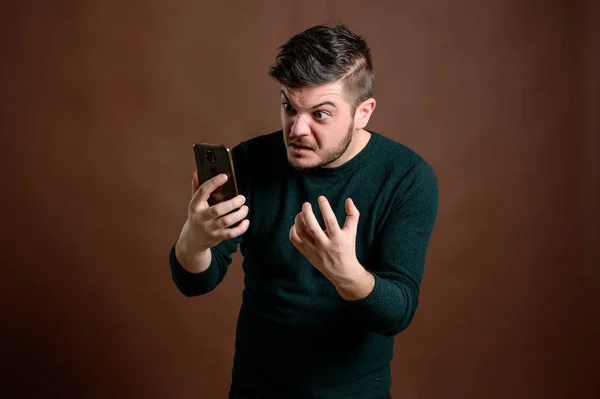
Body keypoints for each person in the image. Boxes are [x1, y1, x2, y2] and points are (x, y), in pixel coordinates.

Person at [169, 23, 439, 399]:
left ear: (363, 112)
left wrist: (348, 276)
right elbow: (195, 283)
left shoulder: (407, 177)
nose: (297, 128)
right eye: (288, 107)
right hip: (255, 389)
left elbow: (397, 313)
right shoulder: (249, 161)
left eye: (320, 114)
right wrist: (193, 242)